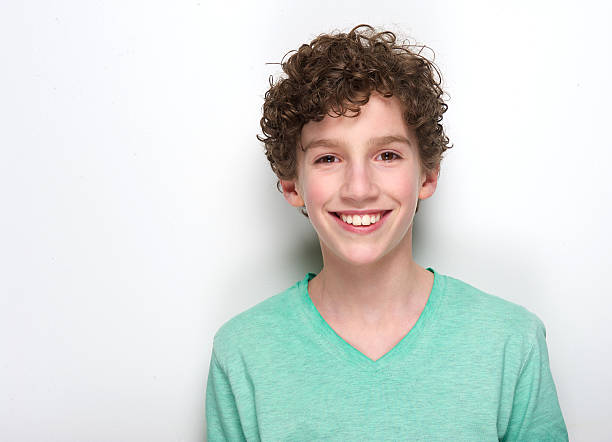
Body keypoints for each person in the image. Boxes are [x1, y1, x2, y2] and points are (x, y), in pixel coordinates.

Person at [205, 24, 568, 441]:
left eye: (388, 154)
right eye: (328, 158)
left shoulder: (511, 342)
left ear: (427, 176)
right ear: (292, 185)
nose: (359, 188)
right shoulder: (243, 354)